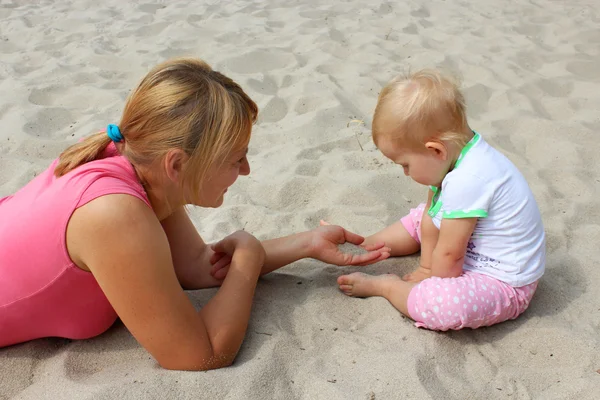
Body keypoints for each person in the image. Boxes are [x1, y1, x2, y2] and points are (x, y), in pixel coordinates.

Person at [0, 58, 391, 370]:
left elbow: (196, 268)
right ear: (178, 164)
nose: (247, 170)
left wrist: (304, 243)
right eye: (236, 158)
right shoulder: (115, 214)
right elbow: (198, 356)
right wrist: (248, 259)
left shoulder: (140, 160)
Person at [325, 70, 545, 331]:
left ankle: (387, 286)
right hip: (471, 241)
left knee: (445, 305)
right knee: (421, 218)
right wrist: (426, 265)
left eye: (405, 164)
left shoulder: (469, 178)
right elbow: (430, 216)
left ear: (435, 150)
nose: (405, 173)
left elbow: (451, 255)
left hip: (505, 281)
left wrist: (430, 283)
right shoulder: (454, 155)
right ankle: (367, 246)